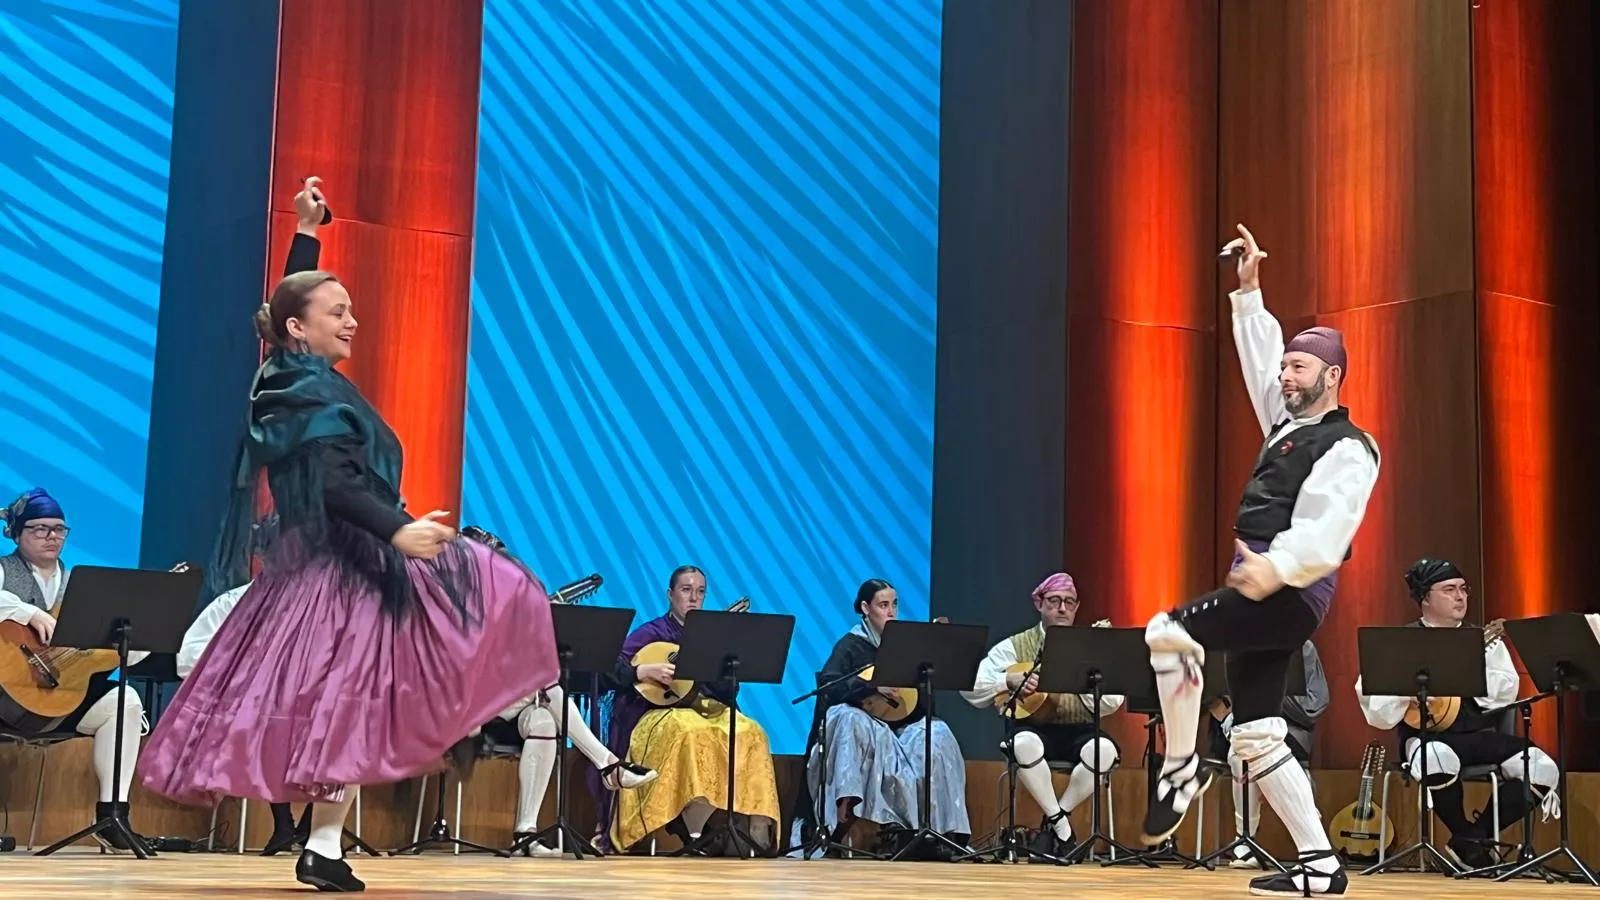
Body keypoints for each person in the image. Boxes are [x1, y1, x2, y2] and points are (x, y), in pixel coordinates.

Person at [137, 177, 560, 893]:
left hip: (347, 559)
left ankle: (326, 843)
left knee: (355, 700)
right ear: (299, 328)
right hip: (338, 563)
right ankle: (322, 840)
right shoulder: (296, 388)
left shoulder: (291, 374)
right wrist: (397, 532)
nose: (353, 319)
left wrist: (307, 232)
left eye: (352, 308)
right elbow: (334, 480)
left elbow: (284, 310)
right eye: (339, 310)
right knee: (354, 693)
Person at [1140, 223, 1381, 896]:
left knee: (1169, 632)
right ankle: (1321, 866)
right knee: (1256, 733)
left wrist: (1276, 568)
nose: (1285, 376)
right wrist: (1248, 293)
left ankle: (1181, 765)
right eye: (1286, 369)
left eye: (1299, 369)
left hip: (1289, 590)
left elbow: (1330, 529)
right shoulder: (1286, 424)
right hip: (1266, 589)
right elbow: (1258, 359)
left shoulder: (1350, 446)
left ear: (1332, 376)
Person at [1355, 559, 1559, 870]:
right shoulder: (1399, 642)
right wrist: (1409, 689)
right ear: (1425, 598)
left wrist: (1466, 673)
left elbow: (1507, 692)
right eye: (1449, 590)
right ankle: (1470, 842)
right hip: (1426, 737)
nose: (1461, 597)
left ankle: (1470, 840)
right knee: (1437, 759)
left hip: (1478, 736)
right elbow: (1376, 706)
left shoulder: (1484, 642)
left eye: (1463, 589)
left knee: (1545, 770)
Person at [469, 529, 655, 857]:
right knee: (547, 683)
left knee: (543, 720)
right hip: (466, 706)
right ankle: (608, 765)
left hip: (512, 705)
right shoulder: (457, 601)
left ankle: (525, 834)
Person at [0, 488, 151, 851]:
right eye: (39, 528)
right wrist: (29, 612)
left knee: (125, 701)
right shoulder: (4, 571)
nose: (51, 536)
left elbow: (122, 657)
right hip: (5, 696)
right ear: (16, 534)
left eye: (59, 529)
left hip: (61, 700)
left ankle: (113, 815)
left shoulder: (86, 586)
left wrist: (136, 641)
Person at [601, 565, 780, 855]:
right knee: (689, 732)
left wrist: (715, 666)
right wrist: (643, 671)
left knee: (753, 732)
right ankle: (691, 831)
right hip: (656, 713)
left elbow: (728, 692)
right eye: (686, 590)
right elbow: (611, 666)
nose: (694, 598)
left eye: (700, 592)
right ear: (670, 595)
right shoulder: (652, 632)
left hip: (709, 710)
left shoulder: (713, 638)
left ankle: (754, 827)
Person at [797, 579, 970, 856]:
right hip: (868, 728)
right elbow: (830, 685)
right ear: (866, 608)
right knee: (846, 719)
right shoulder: (852, 644)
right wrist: (871, 686)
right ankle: (845, 821)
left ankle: (936, 832)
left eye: (895, 605)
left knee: (938, 734)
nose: (891, 612)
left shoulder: (906, 647)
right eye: (883, 605)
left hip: (902, 730)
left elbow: (920, 702)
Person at [961, 572, 1123, 859]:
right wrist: (1007, 682)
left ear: (1076, 607)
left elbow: (1112, 703)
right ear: (1039, 604)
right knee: (1023, 745)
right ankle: (1063, 829)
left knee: (1105, 751)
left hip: (1079, 730)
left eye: (1069, 602)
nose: (1062, 608)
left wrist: (1081, 679)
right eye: (1054, 601)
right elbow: (969, 686)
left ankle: (1053, 823)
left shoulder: (1090, 646)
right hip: (1032, 728)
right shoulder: (1015, 646)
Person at [1207, 639, 1329, 868]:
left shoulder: (1302, 646)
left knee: (1249, 750)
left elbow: (1313, 706)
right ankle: (1245, 841)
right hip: (1240, 732)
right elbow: (1212, 695)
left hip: (1290, 731)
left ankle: (1308, 843)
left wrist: (1266, 694)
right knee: (1241, 752)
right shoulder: (1232, 644)